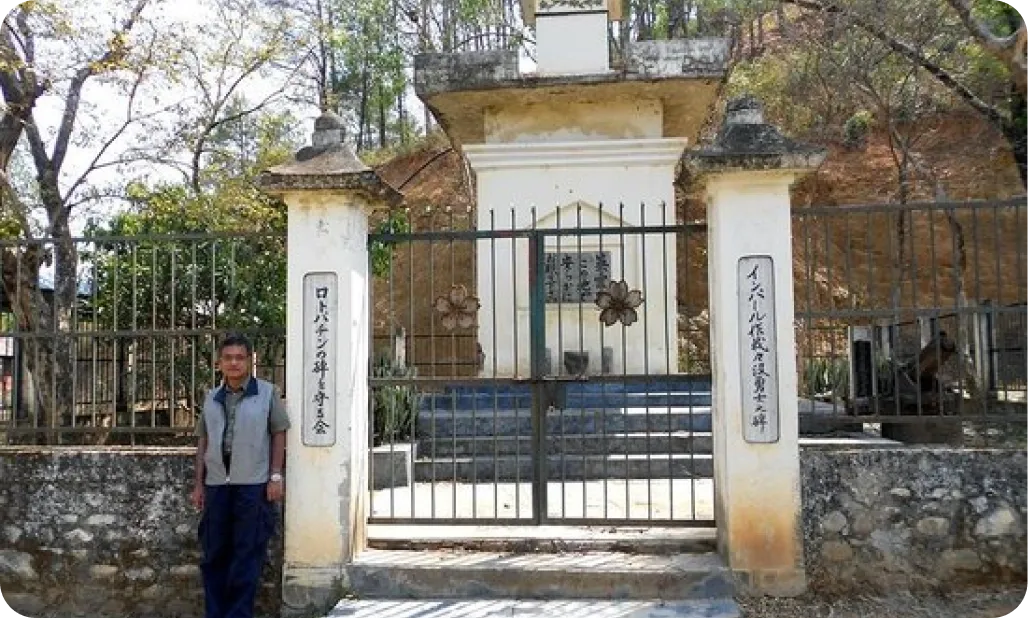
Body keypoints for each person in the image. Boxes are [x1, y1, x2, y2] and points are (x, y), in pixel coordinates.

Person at [191, 333, 290, 618]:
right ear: (219, 363)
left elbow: (279, 433)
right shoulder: (211, 398)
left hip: (253, 486)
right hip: (217, 487)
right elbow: (203, 441)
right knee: (214, 555)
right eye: (228, 358)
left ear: (250, 361)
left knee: (246, 556)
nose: (234, 363)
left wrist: (275, 475)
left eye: (240, 358)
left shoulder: (268, 393)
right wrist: (198, 484)